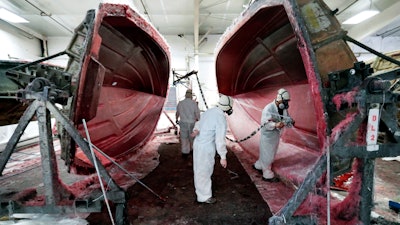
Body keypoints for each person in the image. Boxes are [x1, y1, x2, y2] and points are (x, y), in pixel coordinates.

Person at [191, 94, 233, 204]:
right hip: (206, 147)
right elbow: (220, 140)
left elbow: (199, 123)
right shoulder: (221, 119)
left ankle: (201, 192)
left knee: (199, 169)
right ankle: (204, 196)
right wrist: (223, 156)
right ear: (227, 107)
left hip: (198, 143)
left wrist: (196, 130)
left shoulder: (209, 111)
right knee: (204, 170)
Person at [253, 88, 294, 182]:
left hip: (275, 135)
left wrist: (290, 122)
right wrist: (275, 125)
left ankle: (258, 165)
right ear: (279, 99)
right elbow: (265, 123)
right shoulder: (268, 108)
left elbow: (286, 118)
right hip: (268, 135)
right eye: (285, 101)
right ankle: (267, 174)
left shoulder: (282, 109)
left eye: (287, 101)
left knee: (268, 152)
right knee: (268, 154)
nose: (286, 103)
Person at [176, 89, 200, 158]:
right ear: (191, 95)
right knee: (193, 137)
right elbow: (197, 113)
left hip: (183, 123)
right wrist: (199, 121)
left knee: (184, 138)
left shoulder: (180, 103)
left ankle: (185, 152)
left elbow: (177, 113)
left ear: (185, 95)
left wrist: (176, 119)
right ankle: (193, 150)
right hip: (192, 123)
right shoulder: (194, 103)